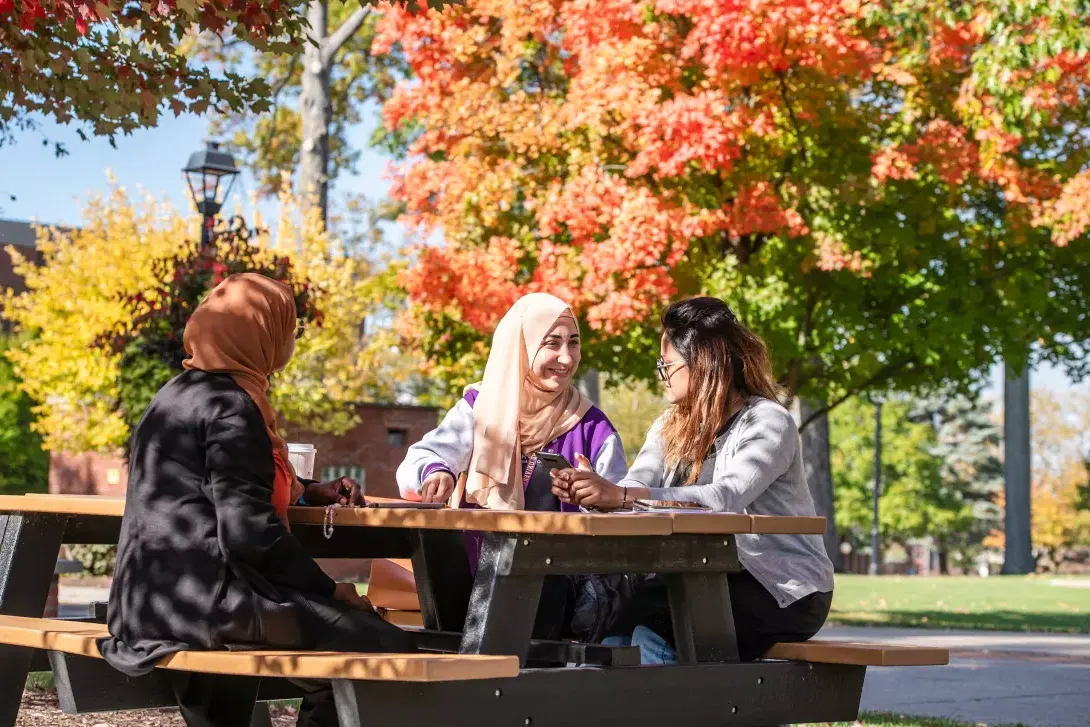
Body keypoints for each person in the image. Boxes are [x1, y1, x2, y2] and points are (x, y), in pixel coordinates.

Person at [98, 273, 415, 727]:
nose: (289, 340)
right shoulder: (232, 407)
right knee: (393, 652)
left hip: (145, 604)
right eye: (286, 328)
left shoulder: (173, 396)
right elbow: (250, 536)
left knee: (337, 647)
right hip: (206, 607)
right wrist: (333, 591)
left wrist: (308, 490)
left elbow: (218, 485)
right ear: (262, 334)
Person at [551, 296, 834, 663]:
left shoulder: (767, 422)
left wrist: (620, 495)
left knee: (664, 623)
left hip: (784, 589)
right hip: (702, 575)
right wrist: (597, 492)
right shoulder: (670, 424)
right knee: (614, 620)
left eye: (667, 365)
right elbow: (637, 483)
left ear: (702, 363)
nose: (661, 375)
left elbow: (726, 496)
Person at [395, 292, 627, 641]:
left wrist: (598, 495)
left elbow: (626, 510)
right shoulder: (480, 407)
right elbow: (417, 462)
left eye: (573, 343)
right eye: (552, 344)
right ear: (521, 346)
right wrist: (437, 471)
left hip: (558, 603)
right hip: (470, 588)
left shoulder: (592, 427)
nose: (566, 358)